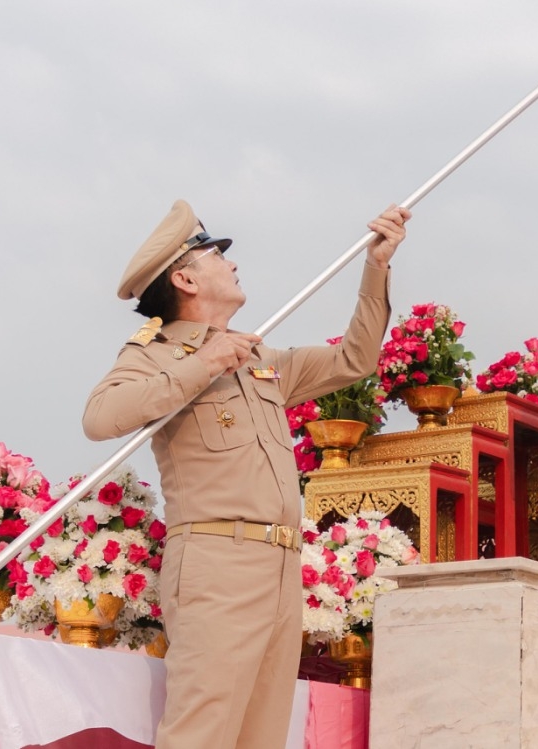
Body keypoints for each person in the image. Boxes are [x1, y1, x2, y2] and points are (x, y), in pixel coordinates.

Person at [83, 200, 409, 749]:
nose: (231, 263)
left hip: (278, 565)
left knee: (260, 735)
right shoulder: (156, 356)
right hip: (216, 562)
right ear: (184, 278)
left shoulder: (259, 357)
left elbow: (354, 361)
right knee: (201, 731)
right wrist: (204, 363)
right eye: (215, 254)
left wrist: (376, 266)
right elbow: (100, 418)